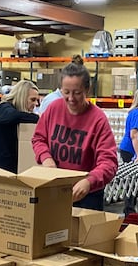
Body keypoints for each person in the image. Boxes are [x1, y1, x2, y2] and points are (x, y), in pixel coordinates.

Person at [31, 62, 118, 210]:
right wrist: (46, 158)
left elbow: (109, 162)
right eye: (66, 92)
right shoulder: (53, 108)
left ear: (87, 90)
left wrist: (89, 181)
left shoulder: (98, 119)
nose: (71, 98)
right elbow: (39, 138)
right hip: (54, 187)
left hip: (86, 196)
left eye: (77, 93)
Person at [0, 80, 40, 173]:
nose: (36, 104)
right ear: (22, 97)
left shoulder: (15, 114)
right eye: (33, 99)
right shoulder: (4, 108)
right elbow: (11, 116)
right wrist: (39, 118)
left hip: (4, 171)